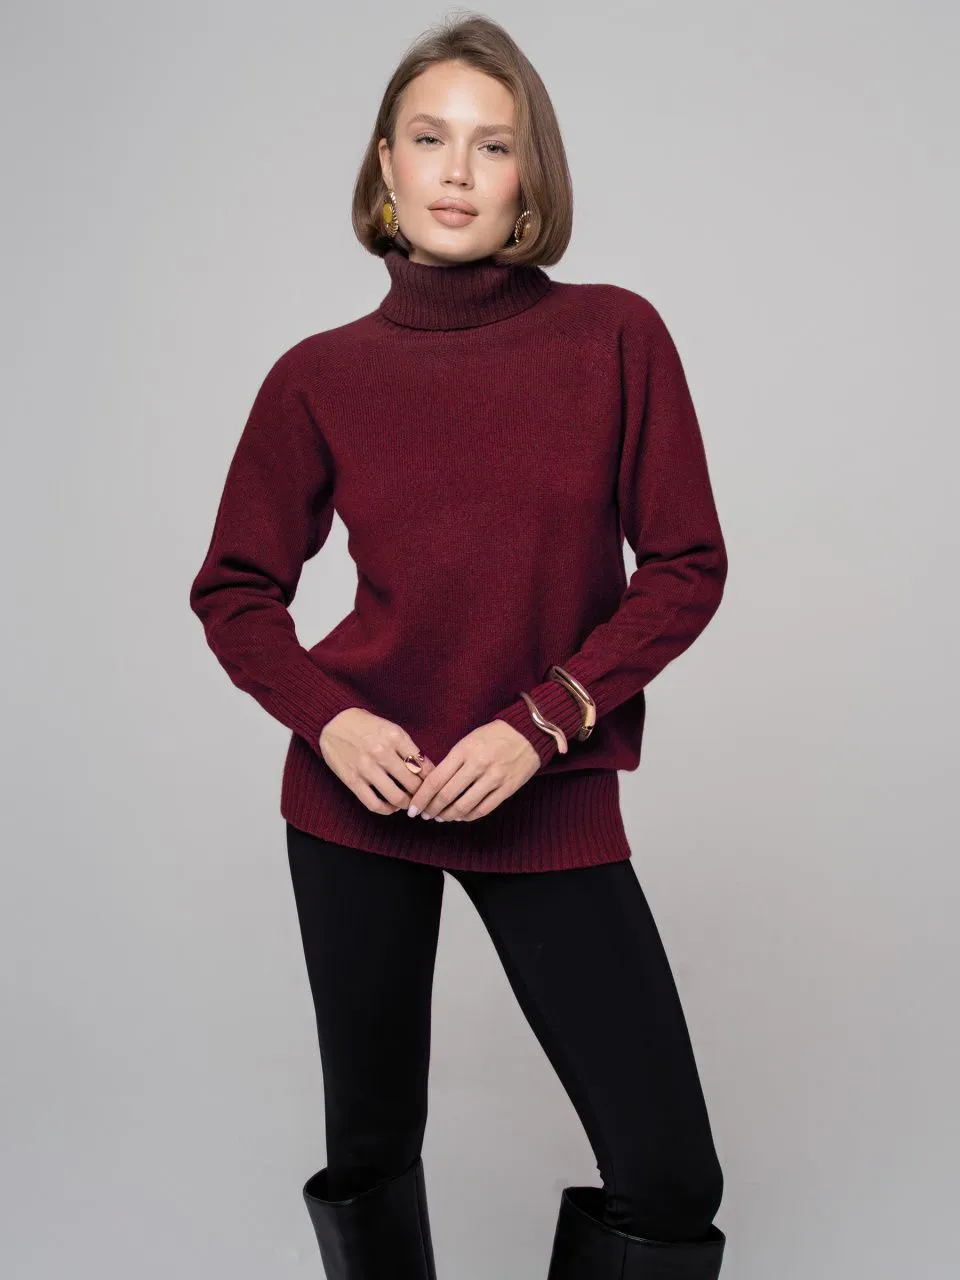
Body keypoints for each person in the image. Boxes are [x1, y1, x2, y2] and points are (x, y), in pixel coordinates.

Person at [189, 14, 729, 1280]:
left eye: (493, 145)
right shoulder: (318, 376)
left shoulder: (615, 336)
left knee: (668, 1173)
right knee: (371, 1147)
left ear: (531, 175)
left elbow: (686, 566)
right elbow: (236, 589)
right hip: (357, 794)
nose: (456, 170)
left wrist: (541, 723)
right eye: (429, 139)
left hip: (541, 785)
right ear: (385, 163)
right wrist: (333, 719)